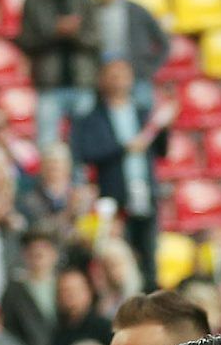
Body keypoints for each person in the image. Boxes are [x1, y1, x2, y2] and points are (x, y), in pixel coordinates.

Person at [70, 58, 170, 268]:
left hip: (145, 193)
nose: (119, 81)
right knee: (118, 258)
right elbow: (87, 152)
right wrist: (124, 148)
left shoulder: (143, 113)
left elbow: (161, 151)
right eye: (113, 75)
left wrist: (163, 126)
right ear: (102, 80)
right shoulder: (92, 118)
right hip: (113, 198)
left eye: (123, 75)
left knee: (149, 257)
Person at [17, 0, 100, 150]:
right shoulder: (33, 1)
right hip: (48, 83)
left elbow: (96, 40)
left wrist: (75, 33)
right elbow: (26, 41)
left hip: (82, 82)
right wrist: (55, 32)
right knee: (47, 142)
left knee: (84, 141)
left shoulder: (82, 0)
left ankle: (79, 179)